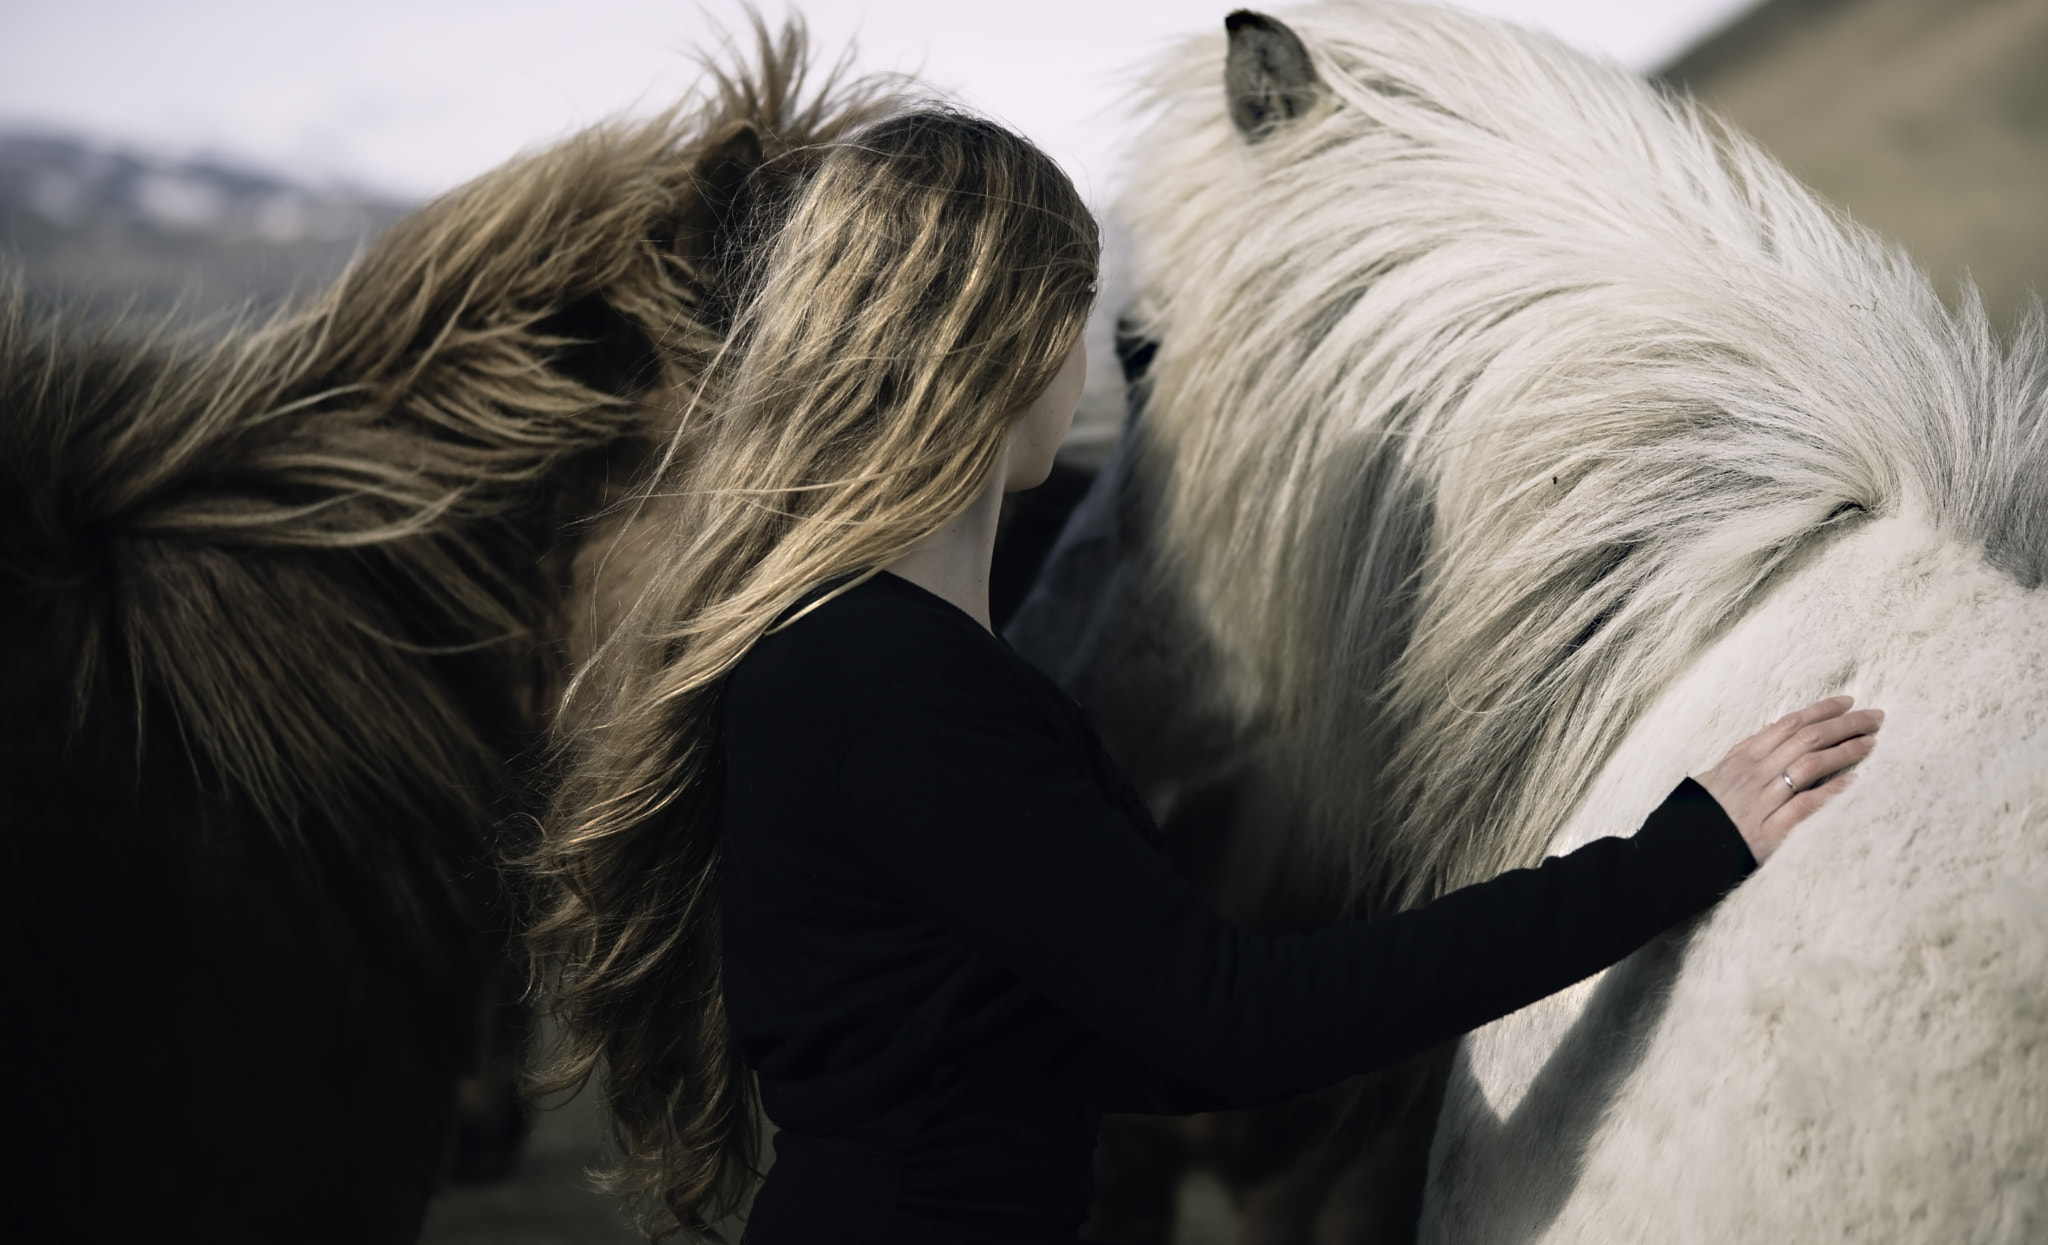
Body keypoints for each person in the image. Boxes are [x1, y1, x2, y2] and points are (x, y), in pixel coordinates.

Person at [527, 108, 1881, 1244]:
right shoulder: (892, 683)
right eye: (1088, 319)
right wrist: (1668, 858)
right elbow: (1233, 1019)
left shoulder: (868, 663)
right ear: (1021, 340)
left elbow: (1147, 1036)